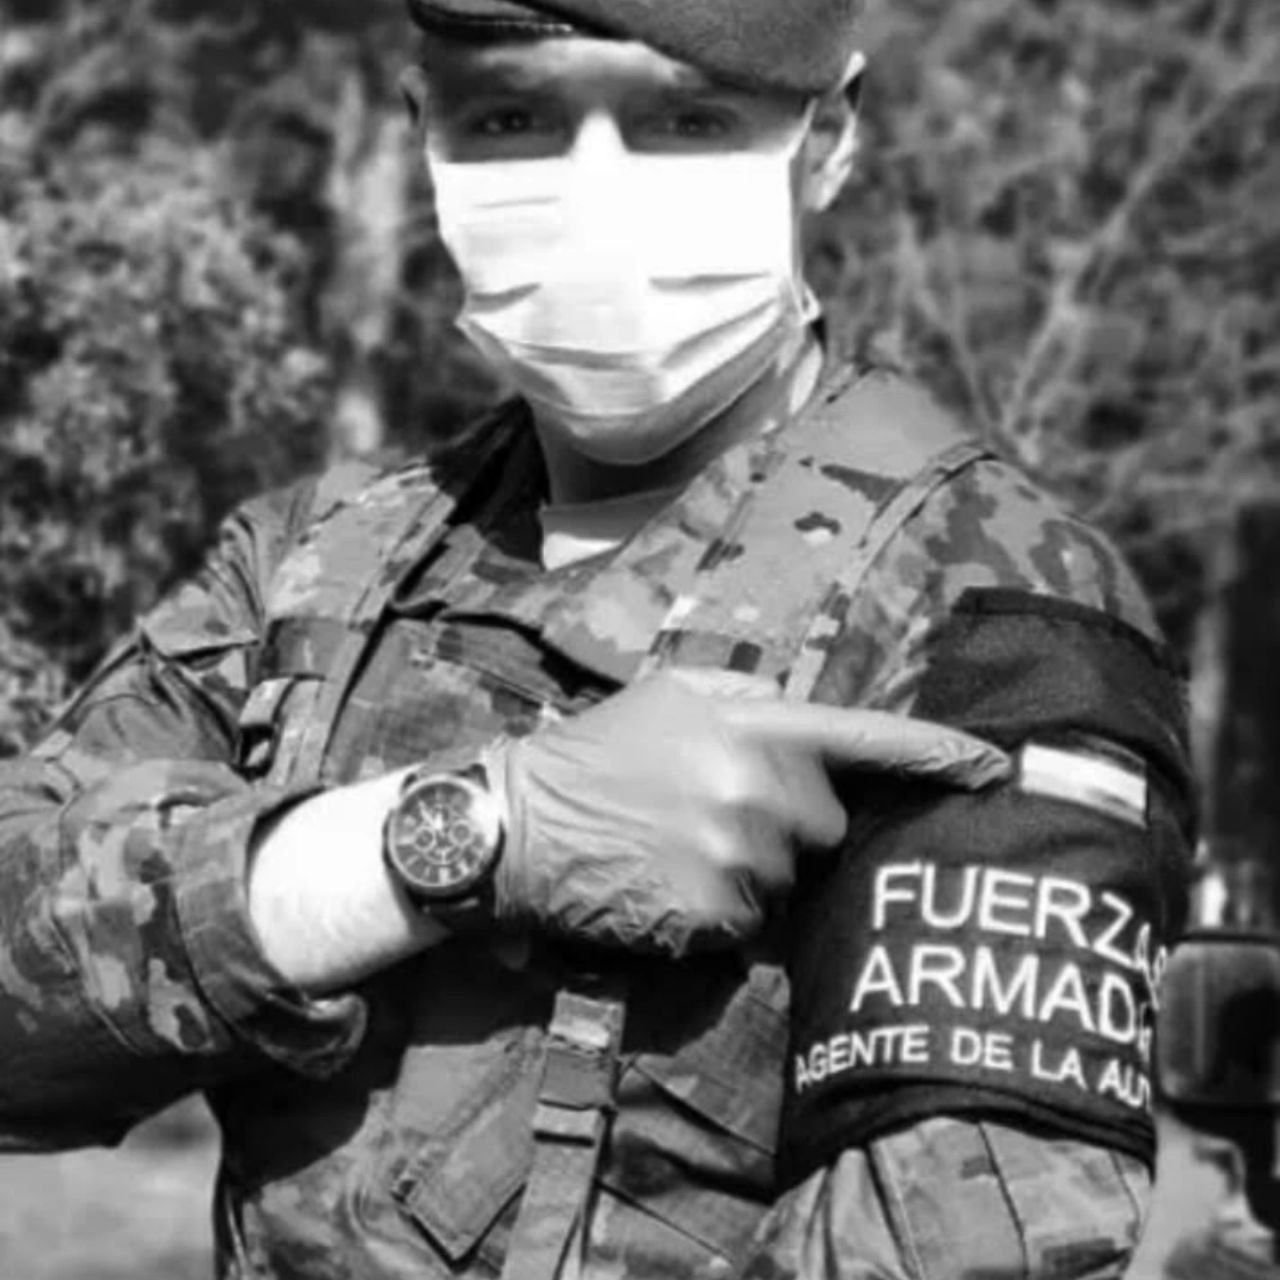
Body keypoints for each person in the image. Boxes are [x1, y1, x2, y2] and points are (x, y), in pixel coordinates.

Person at [0, 2, 1195, 1277]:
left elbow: (966, 1245)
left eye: (685, 120)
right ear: (424, 128)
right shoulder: (314, 555)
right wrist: (449, 840)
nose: (592, 196)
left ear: (826, 137)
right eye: (511, 117)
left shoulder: (991, 607)